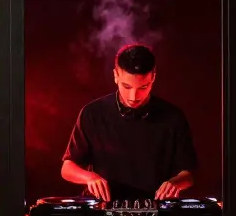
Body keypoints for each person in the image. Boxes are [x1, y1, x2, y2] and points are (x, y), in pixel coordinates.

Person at [61, 43, 198, 202]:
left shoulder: (173, 117)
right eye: (126, 86)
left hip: (155, 206)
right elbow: (67, 168)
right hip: (103, 206)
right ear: (115, 76)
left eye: (143, 87)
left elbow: (188, 174)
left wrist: (175, 183)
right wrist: (90, 177)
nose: (134, 96)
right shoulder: (92, 113)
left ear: (153, 77)